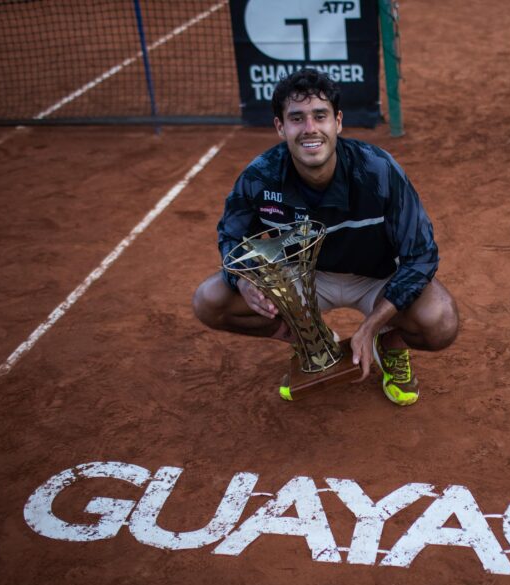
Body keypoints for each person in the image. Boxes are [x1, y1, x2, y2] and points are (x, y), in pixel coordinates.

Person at [193, 68, 458, 406]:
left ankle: (389, 348)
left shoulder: (378, 170)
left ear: (338, 122)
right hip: (301, 283)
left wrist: (373, 326)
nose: (310, 129)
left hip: (376, 278)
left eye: (320, 116)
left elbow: (421, 256)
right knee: (209, 300)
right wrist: (243, 282)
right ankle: (310, 342)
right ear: (280, 127)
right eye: (297, 118)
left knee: (441, 320)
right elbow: (230, 237)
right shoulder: (260, 176)